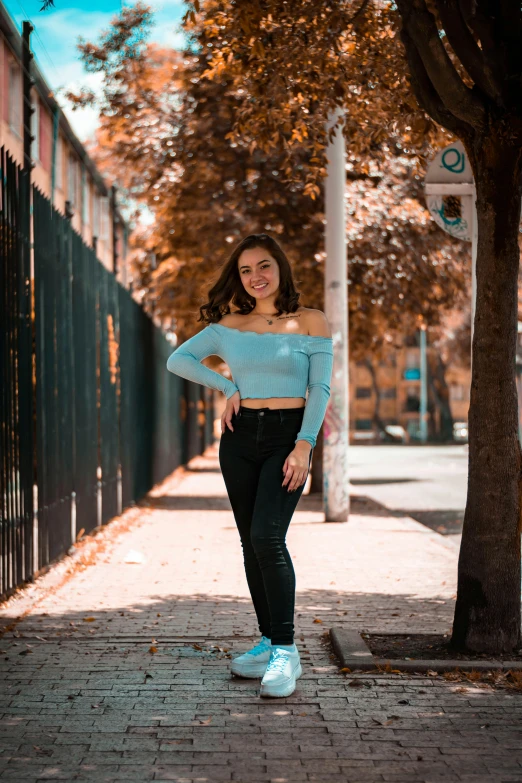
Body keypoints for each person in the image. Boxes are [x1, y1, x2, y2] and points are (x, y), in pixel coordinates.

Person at [166, 233, 333, 698]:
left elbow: (319, 390)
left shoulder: (311, 321)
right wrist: (226, 386)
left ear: (280, 268)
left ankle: (286, 651)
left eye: (263, 266)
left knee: (267, 536)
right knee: (249, 542)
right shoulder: (227, 324)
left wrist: (304, 445)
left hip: (288, 435)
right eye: (245, 270)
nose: (255, 276)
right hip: (239, 437)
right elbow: (178, 359)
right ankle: (267, 640)